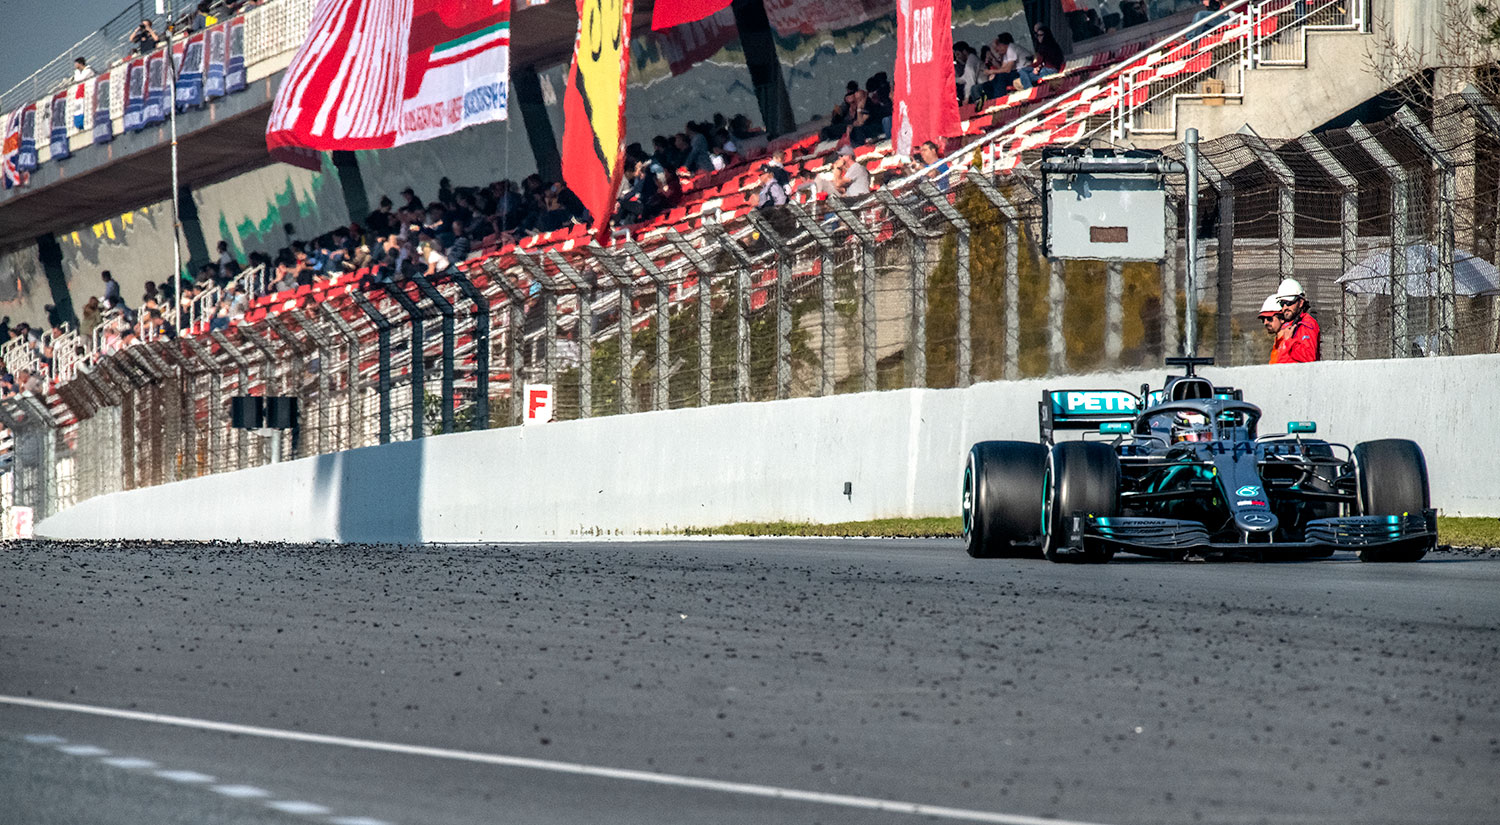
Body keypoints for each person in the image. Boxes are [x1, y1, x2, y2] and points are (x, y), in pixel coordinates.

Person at [1271, 278, 1320, 362]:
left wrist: (1288, 341)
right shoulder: (1287, 325)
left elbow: (1309, 357)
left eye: (1289, 303)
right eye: (1282, 303)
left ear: (1300, 303)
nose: (1285, 307)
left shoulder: (1306, 324)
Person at [1257, 294, 1285, 363]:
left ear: (1281, 318)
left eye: (1269, 318)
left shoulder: (1289, 340)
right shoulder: (1277, 341)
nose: (1265, 323)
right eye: (1263, 319)